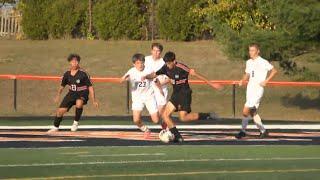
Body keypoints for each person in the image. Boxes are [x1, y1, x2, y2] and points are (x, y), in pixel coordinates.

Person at [144, 51, 221, 142]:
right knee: (165, 115)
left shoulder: (181, 67)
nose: (167, 65)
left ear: (174, 61)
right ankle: (178, 137)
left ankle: (207, 116)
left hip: (185, 94)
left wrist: (212, 84)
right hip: (176, 94)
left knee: (183, 118)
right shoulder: (165, 67)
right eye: (166, 63)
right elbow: (154, 74)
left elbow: (195, 74)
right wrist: (145, 76)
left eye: (169, 63)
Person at [48, 54, 99, 133]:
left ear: (78, 63)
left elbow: (90, 87)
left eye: (76, 61)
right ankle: (55, 127)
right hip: (71, 93)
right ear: (70, 63)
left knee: (79, 103)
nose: (74, 63)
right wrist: (57, 96)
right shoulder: (66, 74)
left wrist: (94, 100)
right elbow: (62, 86)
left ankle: (75, 123)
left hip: (82, 92)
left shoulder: (83, 73)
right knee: (60, 111)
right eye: (73, 61)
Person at [235, 43, 277, 139]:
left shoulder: (263, 62)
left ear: (258, 51)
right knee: (252, 112)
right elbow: (247, 74)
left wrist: (266, 81)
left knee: (246, 110)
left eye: (253, 50)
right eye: (250, 50)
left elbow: (274, 70)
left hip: (258, 90)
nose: (251, 52)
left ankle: (243, 131)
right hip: (250, 88)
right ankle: (263, 131)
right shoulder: (249, 62)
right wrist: (242, 80)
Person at [120, 53, 162, 139]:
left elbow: (155, 77)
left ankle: (164, 123)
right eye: (138, 63)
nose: (140, 65)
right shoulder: (131, 71)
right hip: (137, 98)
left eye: (142, 63)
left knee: (156, 120)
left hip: (149, 97)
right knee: (136, 120)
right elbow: (122, 79)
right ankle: (146, 130)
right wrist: (125, 79)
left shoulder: (148, 70)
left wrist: (160, 89)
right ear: (134, 64)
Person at [144, 43, 168, 129]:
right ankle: (163, 122)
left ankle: (166, 126)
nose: (155, 52)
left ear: (160, 52)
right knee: (155, 119)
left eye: (158, 51)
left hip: (160, 89)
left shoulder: (164, 63)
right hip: (148, 89)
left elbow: (169, 78)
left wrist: (160, 84)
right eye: (154, 50)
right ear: (151, 51)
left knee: (161, 112)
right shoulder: (145, 60)